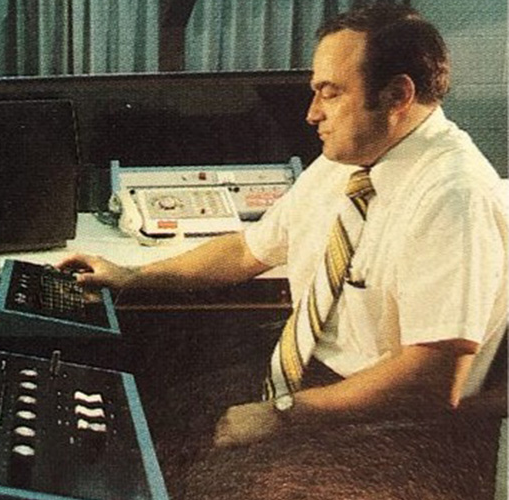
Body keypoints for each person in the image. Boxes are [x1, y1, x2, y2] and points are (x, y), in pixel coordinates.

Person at [58, 3, 508, 449]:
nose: (312, 113)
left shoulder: (453, 195)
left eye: (330, 93)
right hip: (304, 377)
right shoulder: (351, 160)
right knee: (143, 403)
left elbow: (431, 379)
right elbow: (247, 250)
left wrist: (283, 416)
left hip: (381, 426)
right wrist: (133, 276)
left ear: (397, 96)